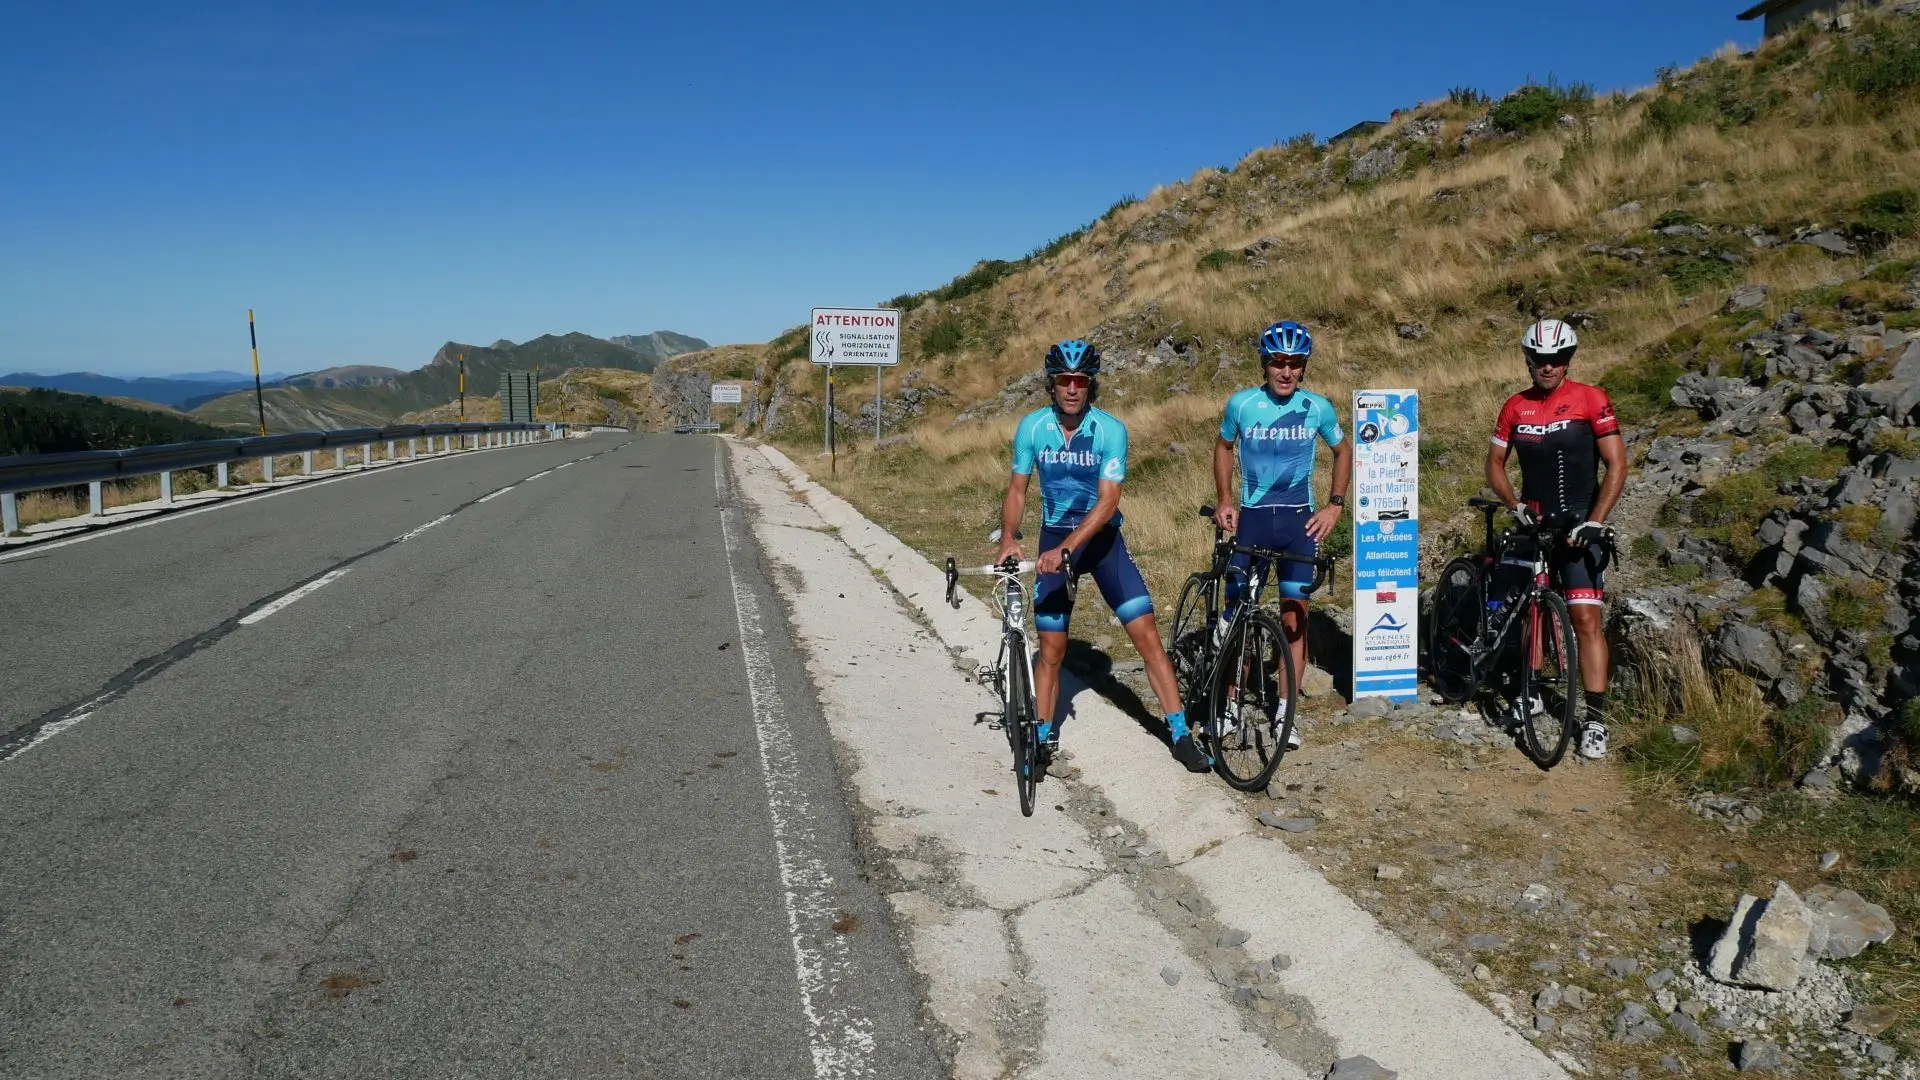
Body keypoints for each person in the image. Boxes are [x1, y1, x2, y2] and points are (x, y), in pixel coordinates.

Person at [996, 340, 1209, 772]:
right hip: (1056, 537)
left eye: (1080, 381)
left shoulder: (1111, 430)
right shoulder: (1032, 428)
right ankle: (1040, 736)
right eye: (1064, 381)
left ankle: (1180, 733)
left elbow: (1108, 502)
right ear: (1051, 385)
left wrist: (1067, 549)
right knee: (1051, 649)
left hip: (1102, 544)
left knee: (1146, 637)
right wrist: (1008, 537)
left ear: (1090, 385)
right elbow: (1018, 489)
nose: (1072, 388)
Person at [1486, 317, 1627, 760]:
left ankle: (1597, 719)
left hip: (1580, 529)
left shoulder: (1591, 399)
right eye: (1541, 360)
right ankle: (1529, 690)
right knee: (1530, 616)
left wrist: (1596, 520)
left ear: (1569, 360)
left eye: (1558, 359)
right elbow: (1494, 463)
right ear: (1529, 360)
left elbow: (1617, 466)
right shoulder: (1515, 406)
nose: (1549, 367)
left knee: (1586, 621)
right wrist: (1514, 505)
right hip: (1535, 525)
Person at [1212, 321, 1351, 749]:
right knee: (1238, 615)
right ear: (1265, 364)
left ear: (1303, 367)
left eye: (1294, 364)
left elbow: (1342, 451)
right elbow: (1223, 447)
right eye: (1278, 363)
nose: (1286, 372)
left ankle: (1285, 714)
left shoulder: (1319, 408)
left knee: (1294, 621)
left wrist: (1334, 505)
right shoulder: (1243, 404)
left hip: (1297, 523)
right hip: (1252, 519)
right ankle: (1231, 703)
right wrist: (1224, 499)